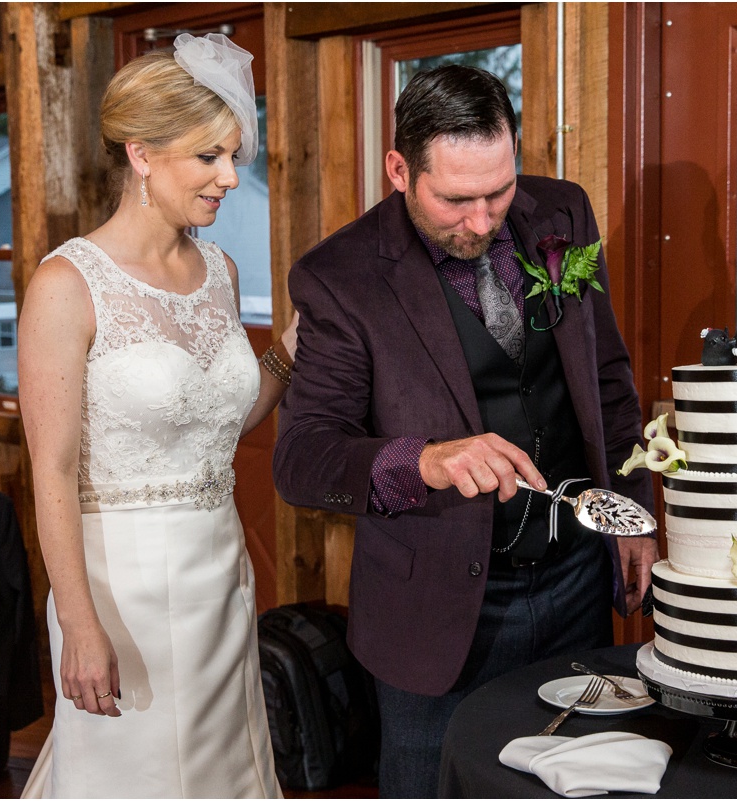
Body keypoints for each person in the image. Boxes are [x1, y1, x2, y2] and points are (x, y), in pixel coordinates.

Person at [273, 65, 657, 798]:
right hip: (439, 614)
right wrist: (424, 460)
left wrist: (633, 511)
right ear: (399, 169)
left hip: (577, 581)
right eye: (455, 199)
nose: (482, 222)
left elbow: (607, 378)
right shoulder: (339, 276)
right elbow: (302, 456)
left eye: (498, 191)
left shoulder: (563, 214)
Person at [18, 33, 294, 798]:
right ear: (141, 154)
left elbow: (216, 422)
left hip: (221, 573)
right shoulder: (67, 284)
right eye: (209, 158)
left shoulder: (219, 272)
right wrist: (78, 624)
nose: (231, 179)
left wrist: (286, 357)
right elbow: (53, 469)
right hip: (120, 590)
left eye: (234, 155)